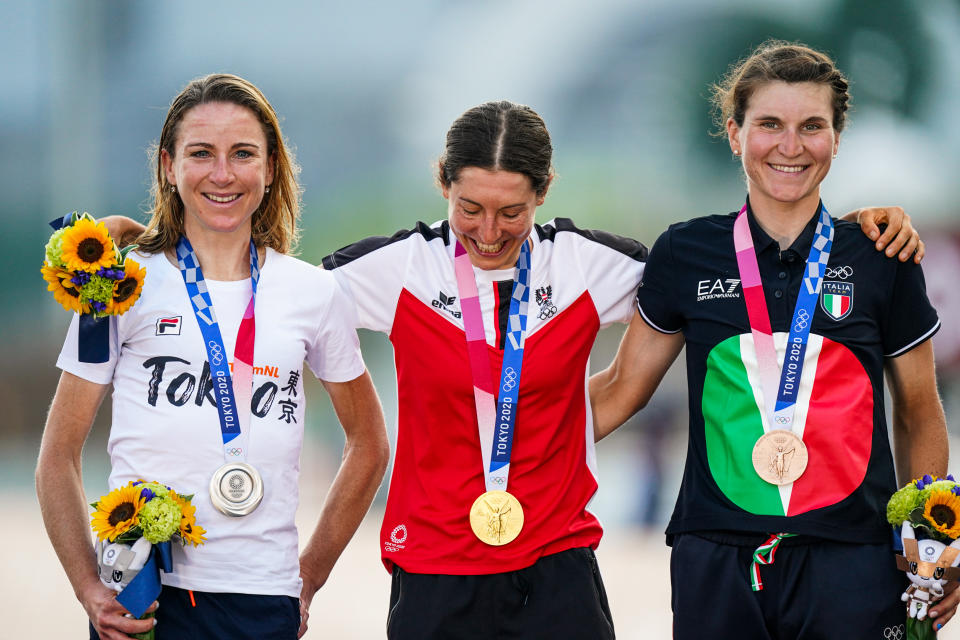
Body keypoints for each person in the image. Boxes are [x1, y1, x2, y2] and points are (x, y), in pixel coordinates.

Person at [103, 99, 921, 639]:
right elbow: (253, 283)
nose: (489, 232)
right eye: (469, 209)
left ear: (544, 194)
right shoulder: (383, 271)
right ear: (443, 189)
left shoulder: (596, 264)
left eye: (511, 211)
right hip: (430, 568)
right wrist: (143, 246)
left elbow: (741, 277)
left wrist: (849, 234)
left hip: (560, 565)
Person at [590, 41, 953, 638]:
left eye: (812, 126)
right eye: (769, 125)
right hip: (715, 551)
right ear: (735, 135)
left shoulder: (883, 252)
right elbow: (620, 389)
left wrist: (934, 548)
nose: (790, 147)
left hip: (855, 555)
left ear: (836, 138)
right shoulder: (685, 251)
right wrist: (500, 444)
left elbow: (917, 409)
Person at [35, 73, 389, 640]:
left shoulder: (314, 294)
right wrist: (88, 589)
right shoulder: (120, 286)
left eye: (242, 154)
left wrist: (308, 576)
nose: (222, 174)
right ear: (169, 167)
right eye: (201, 153)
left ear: (271, 168)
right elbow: (57, 455)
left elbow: (370, 443)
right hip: (143, 601)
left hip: (263, 600)